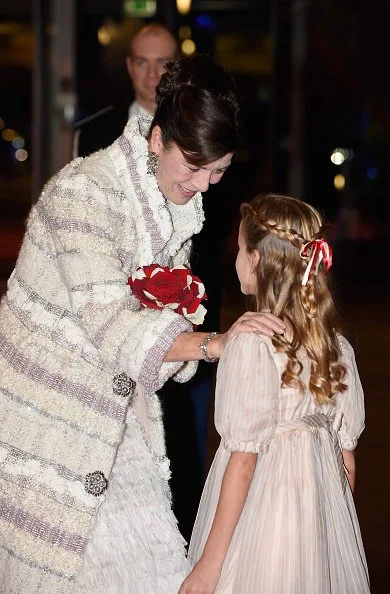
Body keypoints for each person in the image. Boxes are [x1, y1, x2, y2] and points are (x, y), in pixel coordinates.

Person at [0, 56, 285, 594]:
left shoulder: (174, 206)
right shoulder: (84, 193)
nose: (203, 185)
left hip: (117, 421)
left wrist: (187, 346)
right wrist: (212, 344)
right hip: (43, 429)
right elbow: (112, 328)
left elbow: (156, 342)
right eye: (195, 167)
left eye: (218, 172)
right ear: (157, 140)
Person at [180, 193, 370, 594]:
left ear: (256, 260)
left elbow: (244, 459)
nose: (235, 256)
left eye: (240, 246)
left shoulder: (252, 344)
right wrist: (332, 539)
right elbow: (345, 463)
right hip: (315, 525)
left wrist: (209, 566)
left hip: (263, 517)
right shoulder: (336, 347)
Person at [73, 22, 178, 158]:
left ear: (177, 67)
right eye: (142, 63)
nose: (152, 74)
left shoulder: (201, 128)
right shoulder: (91, 134)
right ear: (130, 67)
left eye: (161, 63)